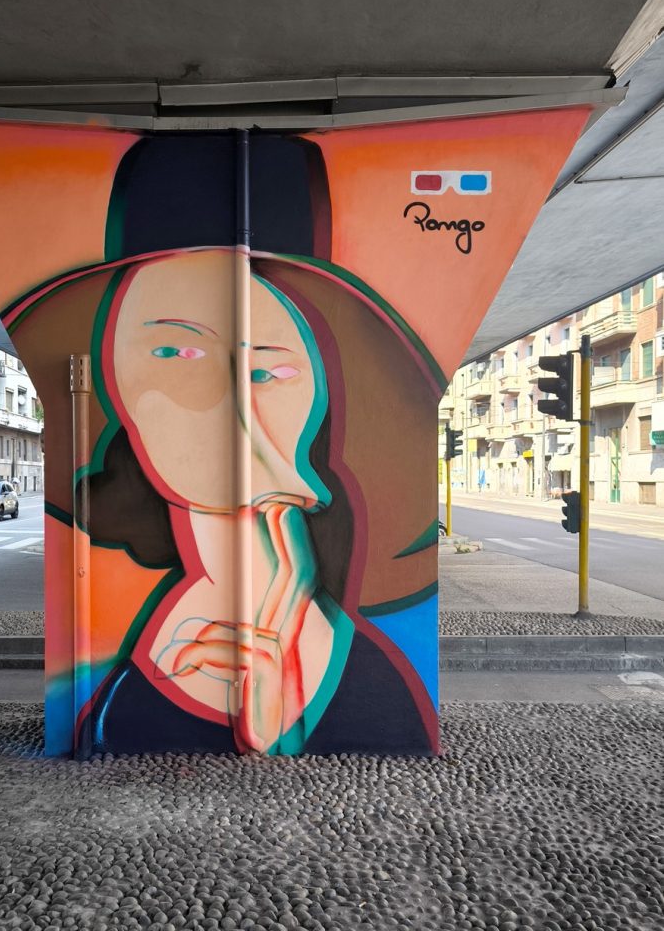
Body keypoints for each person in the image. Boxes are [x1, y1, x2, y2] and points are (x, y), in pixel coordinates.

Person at [67, 135, 438, 757]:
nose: (229, 403)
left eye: (268, 370)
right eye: (177, 351)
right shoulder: (157, 633)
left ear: (322, 393)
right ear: (114, 376)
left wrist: (275, 721)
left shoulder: (362, 676)